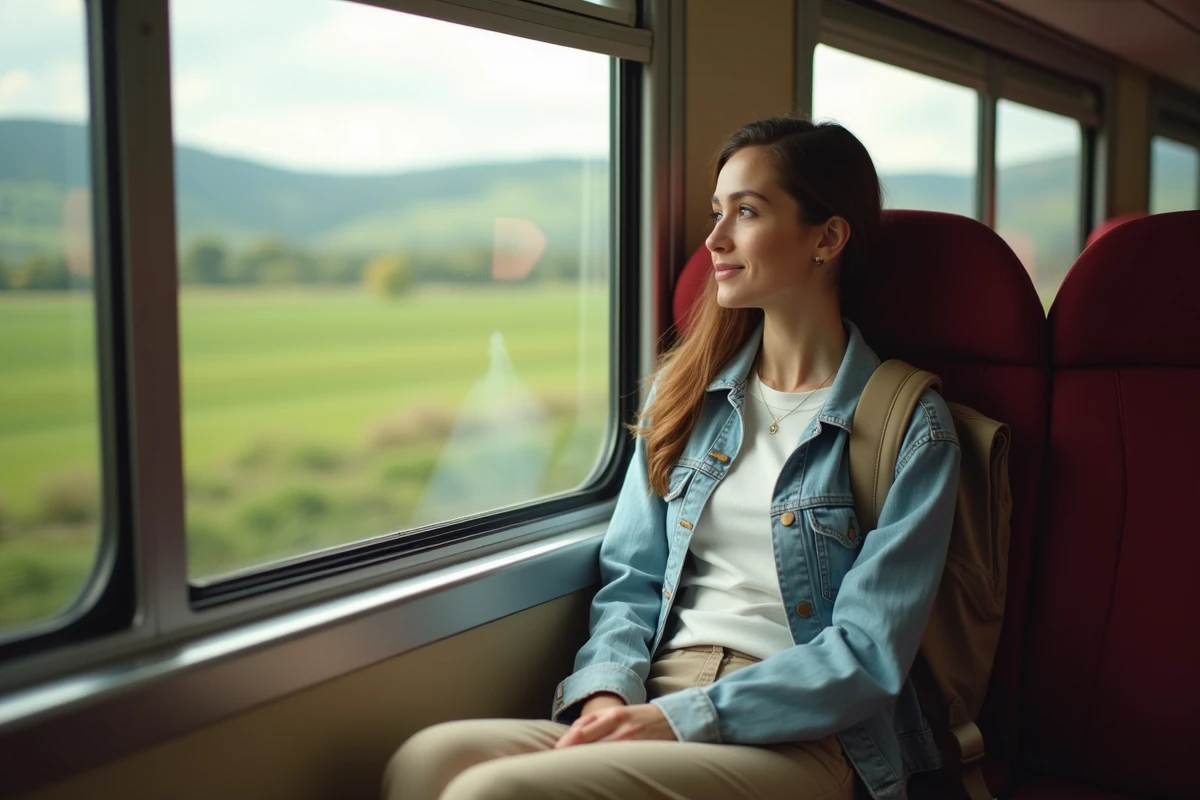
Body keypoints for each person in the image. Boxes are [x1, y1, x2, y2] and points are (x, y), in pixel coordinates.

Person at [381, 116, 962, 800]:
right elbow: (631, 577)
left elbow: (865, 658)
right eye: (718, 212)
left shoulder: (913, 429)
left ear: (827, 238)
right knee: (426, 763)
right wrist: (604, 692)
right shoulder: (683, 396)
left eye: (745, 212)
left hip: (800, 738)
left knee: (491, 794)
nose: (714, 239)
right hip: (656, 689)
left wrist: (679, 719)